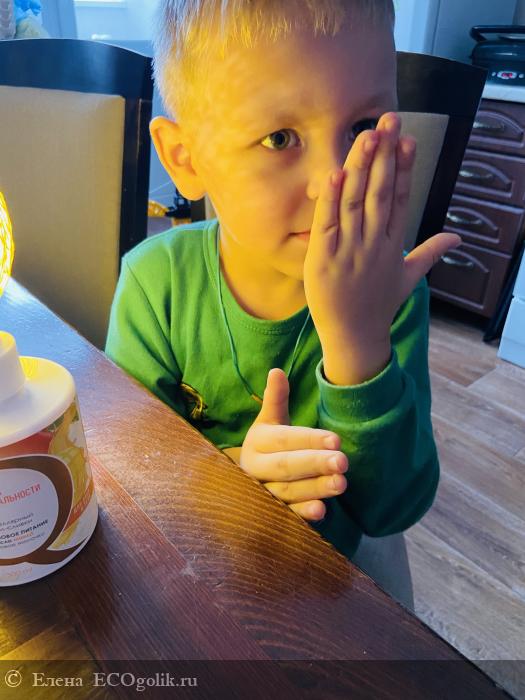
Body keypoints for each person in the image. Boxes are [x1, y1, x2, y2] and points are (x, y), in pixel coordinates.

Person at [105, 0, 460, 582]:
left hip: (324, 584)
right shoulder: (156, 283)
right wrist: (233, 473)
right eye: (279, 138)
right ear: (185, 159)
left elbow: (392, 510)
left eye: (362, 129)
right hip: (193, 570)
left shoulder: (388, 294)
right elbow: (132, 469)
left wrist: (358, 345)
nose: (333, 181)